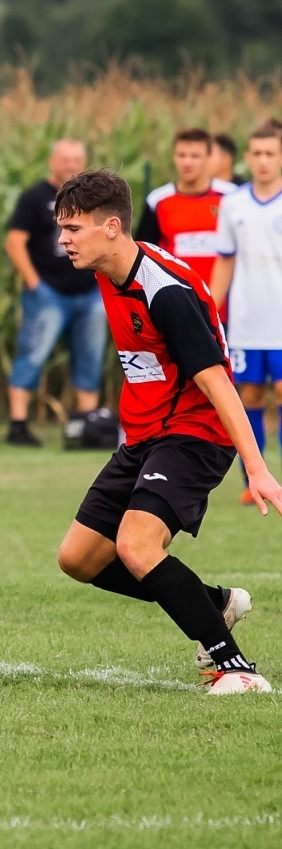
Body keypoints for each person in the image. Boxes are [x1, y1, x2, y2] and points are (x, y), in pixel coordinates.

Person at [53, 169, 280, 696]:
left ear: (112, 227)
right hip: (145, 434)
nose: (64, 239)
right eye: (62, 228)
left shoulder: (165, 292)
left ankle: (236, 668)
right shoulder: (105, 267)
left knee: (136, 545)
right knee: (79, 559)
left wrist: (257, 469)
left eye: (73, 228)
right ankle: (215, 603)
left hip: (196, 433)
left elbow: (219, 384)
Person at [3, 139, 105, 447]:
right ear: (52, 162)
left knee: (90, 356)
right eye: (65, 160)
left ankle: (86, 425)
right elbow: (14, 242)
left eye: (76, 160)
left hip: (90, 293)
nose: (71, 166)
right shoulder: (35, 198)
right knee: (33, 353)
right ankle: (18, 424)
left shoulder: (93, 200)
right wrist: (35, 283)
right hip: (49, 293)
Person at [211, 121, 282, 506]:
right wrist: (210, 310)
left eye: (270, 153)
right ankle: (252, 482)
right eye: (257, 153)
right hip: (246, 323)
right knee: (248, 396)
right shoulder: (233, 203)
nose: (263, 160)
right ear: (247, 158)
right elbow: (225, 261)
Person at [135, 128, 229, 287]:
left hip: (221, 297)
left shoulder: (230, 197)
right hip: (176, 294)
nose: (187, 162)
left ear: (208, 157)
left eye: (195, 156)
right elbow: (143, 255)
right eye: (181, 155)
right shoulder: (157, 200)